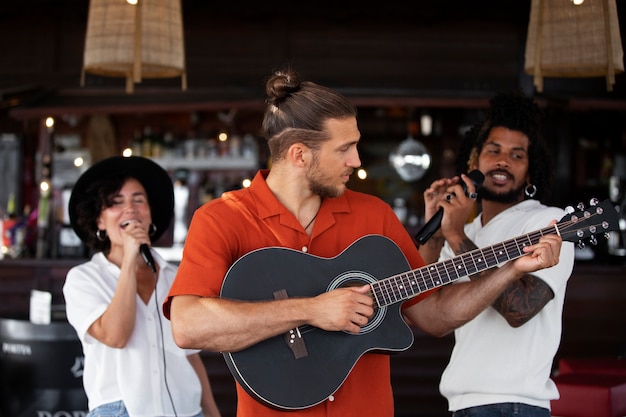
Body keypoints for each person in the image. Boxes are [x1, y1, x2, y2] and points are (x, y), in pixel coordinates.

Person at [163, 68, 563, 417]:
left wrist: (512, 270)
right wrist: (311, 310)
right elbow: (188, 325)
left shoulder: (374, 215)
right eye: (344, 149)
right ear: (300, 155)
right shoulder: (223, 217)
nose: (357, 160)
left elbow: (434, 315)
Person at [418, 92, 576, 417]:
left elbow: (519, 310)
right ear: (474, 163)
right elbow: (424, 307)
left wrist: (456, 235)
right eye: (494, 151)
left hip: (515, 403)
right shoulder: (467, 229)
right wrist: (435, 231)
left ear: (530, 174)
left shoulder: (548, 222)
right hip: (461, 403)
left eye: (517, 155)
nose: (504, 161)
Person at [63, 156, 222, 417]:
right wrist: (129, 259)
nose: (130, 209)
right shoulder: (84, 278)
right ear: (99, 221)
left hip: (186, 409)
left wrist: (212, 412)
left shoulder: (177, 276)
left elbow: (191, 356)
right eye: (116, 202)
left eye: (138, 200)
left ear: (150, 213)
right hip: (119, 411)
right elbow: (116, 336)